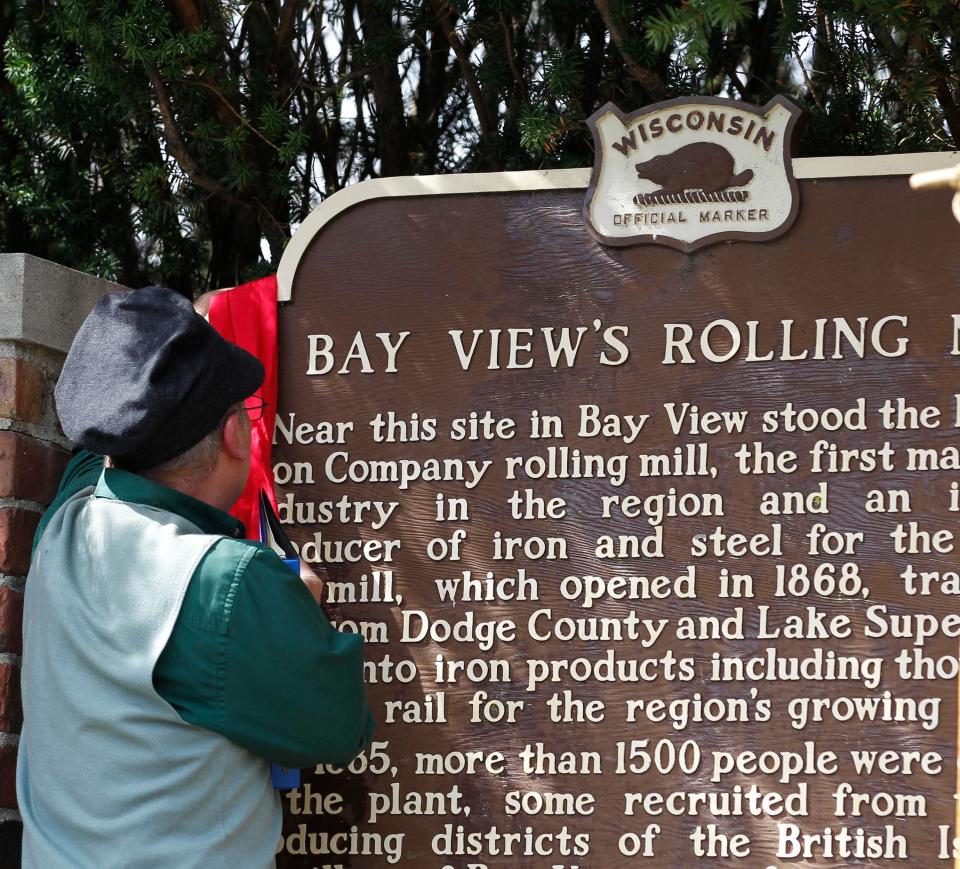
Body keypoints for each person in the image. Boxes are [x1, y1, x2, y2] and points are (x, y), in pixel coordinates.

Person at [16, 286, 374, 868]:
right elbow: (337, 728)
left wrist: (192, 331)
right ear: (236, 435)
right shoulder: (226, 583)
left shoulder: (64, 523)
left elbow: (98, 447)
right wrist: (301, 608)